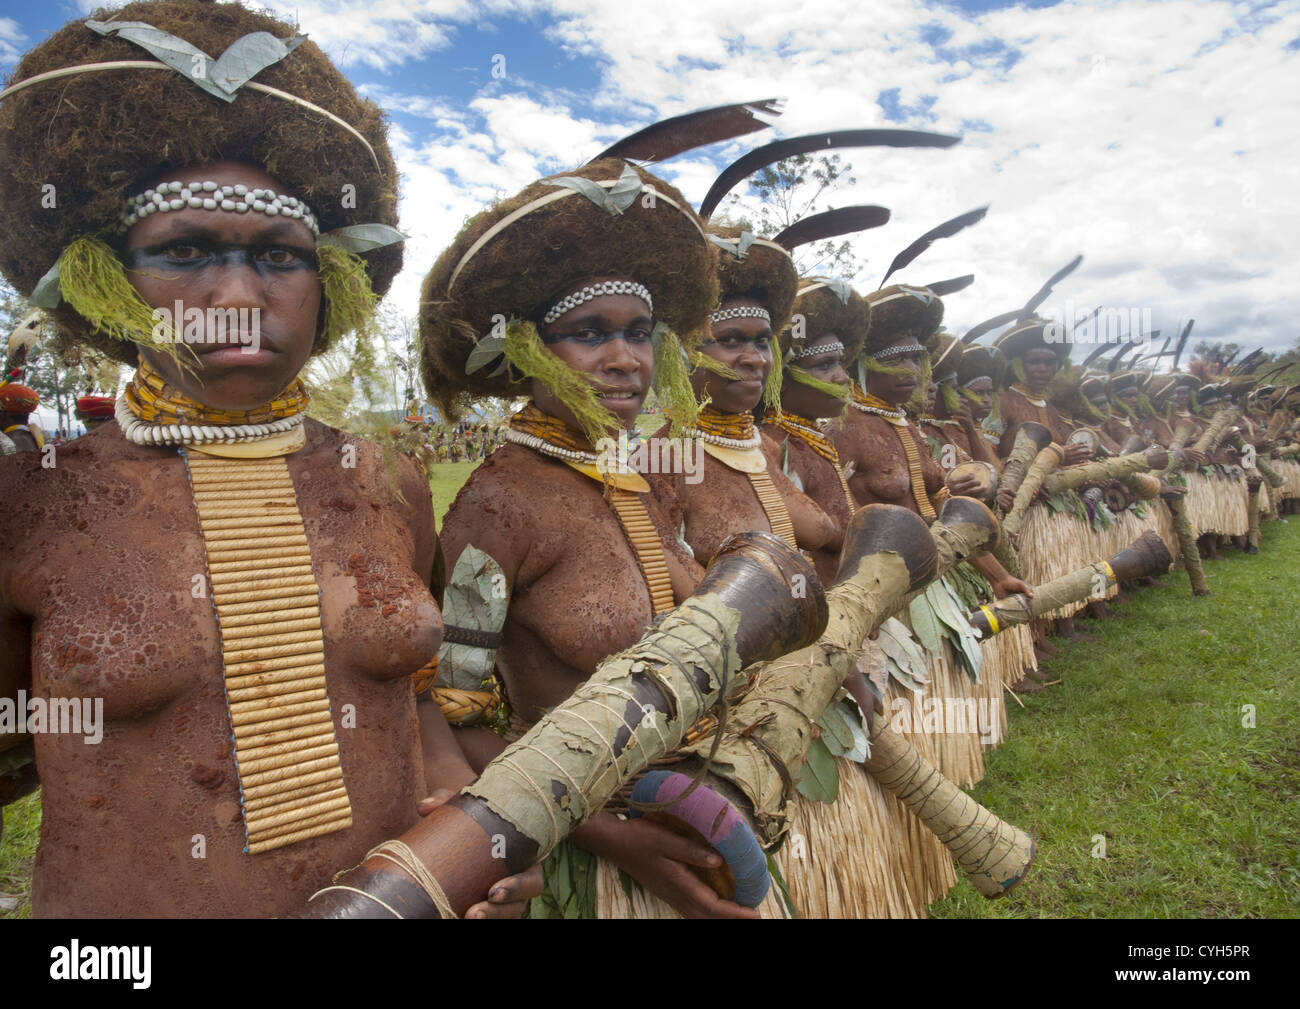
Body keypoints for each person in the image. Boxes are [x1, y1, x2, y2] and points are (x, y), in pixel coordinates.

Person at [0, 0, 533, 918]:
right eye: (185, 251)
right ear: (104, 277)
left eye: (280, 255)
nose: (238, 294)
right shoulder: (31, 500)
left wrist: (458, 829)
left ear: (327, 283)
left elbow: (417, 702)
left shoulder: (386, 477)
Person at [419, 158, 762, 918]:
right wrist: (613, 836)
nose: (625, 360)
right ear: (530, 351)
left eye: (639, 333)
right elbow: (454, 712)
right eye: (588, 334)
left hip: (695, 806)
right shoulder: (498, 504)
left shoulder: (647, 474)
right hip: (583, 857)